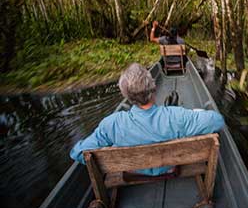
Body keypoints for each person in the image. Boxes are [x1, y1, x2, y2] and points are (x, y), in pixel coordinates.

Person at [70, 63, 225, 176]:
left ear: (127, 96)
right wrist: (195, 112)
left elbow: (78, 153)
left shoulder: (112, 124)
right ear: (154, 89)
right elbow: (217, 121)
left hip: (133, 170)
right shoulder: (177, 116)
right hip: (169, 168)